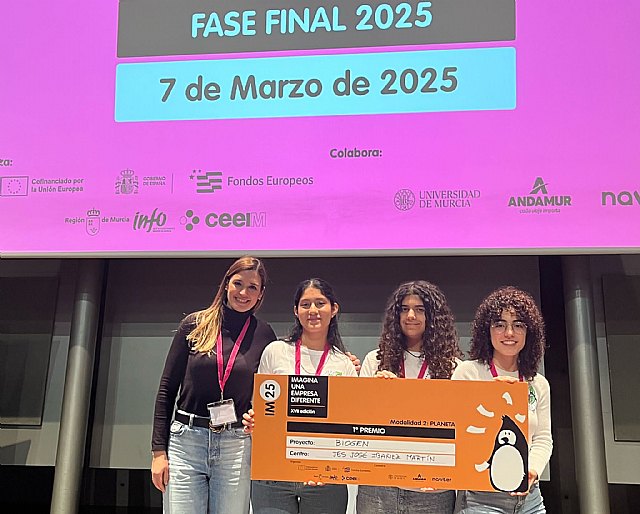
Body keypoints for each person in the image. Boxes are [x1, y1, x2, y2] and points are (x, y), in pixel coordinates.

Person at [151, 256, 277, 514]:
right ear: (226, 284)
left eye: (252, 287)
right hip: (187, 442)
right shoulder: (195, 325)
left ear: (261, 293)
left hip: (235, 444)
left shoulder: (264, 334)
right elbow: (167, 389)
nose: (243, 293)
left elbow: (277, 384)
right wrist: (158, 452)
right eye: (238, 283)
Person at [244, 278, 358, 514]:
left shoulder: (343, 363)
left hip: (324, 478)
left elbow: (347, 424)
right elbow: (261, 407)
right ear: (296, 311)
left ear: (334, 309)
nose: (313, 310)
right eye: (305, 304)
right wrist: (256, 422)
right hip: (274, 475)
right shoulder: (275, 351)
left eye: (320, 303)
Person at [357, 280, 462, 514]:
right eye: (404, 309)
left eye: (419, 309)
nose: (411, 316)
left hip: (432, 490)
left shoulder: (454, 368)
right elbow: (361, 421)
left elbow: (460, 427)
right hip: (378, 487)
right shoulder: (375, 361)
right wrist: (375, 394)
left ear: (434, 317)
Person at [452, 286, 552, 514]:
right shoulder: (468, 373)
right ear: (486, 330)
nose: (509, 333)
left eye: (518, 325)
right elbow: (457, 431)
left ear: (529, 332)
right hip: (480, 497)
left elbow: (543, 439)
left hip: (530, 498)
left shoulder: (538, 383)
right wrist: (491, 396)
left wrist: (532, 470)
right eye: (500, 324)